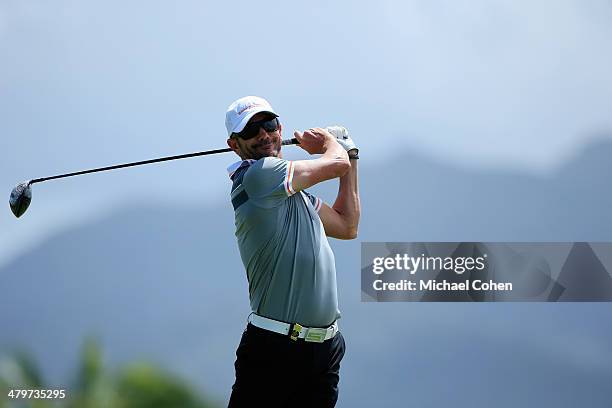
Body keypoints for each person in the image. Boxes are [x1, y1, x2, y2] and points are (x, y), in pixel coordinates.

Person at [224, 96, 360, 407]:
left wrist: (351, 156)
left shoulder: (295, 196)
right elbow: (334, 164)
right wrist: (330, 144)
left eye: (268, 125)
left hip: (324, 350)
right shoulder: (259, 175)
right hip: (274, 349)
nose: (264, 135)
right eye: (251, 130)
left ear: (280, 127)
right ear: (234, 144)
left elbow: (347, 225)